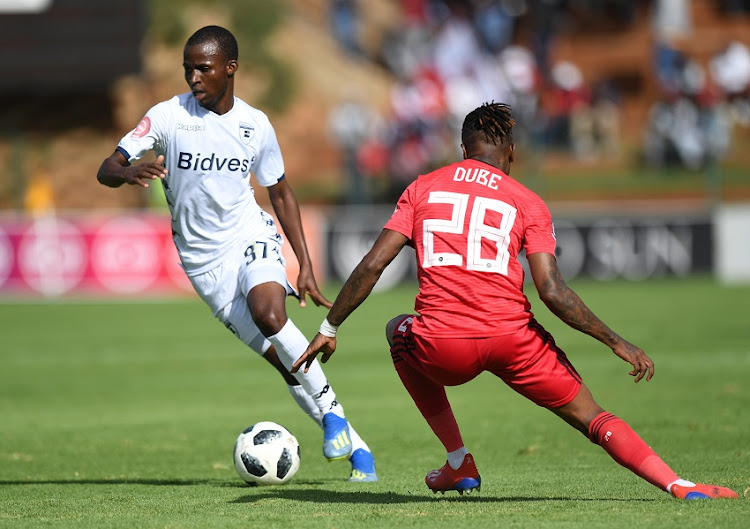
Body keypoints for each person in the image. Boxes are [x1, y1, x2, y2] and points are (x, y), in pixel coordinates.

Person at [292, 102, 739, 498]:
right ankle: (679, 486)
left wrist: (329, 328)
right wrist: (616, 342)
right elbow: (552, 291)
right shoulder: (527, 200)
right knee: (592, 417)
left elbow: (373, 264)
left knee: (397, 329)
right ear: (510, 153)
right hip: (514, 340)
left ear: (463, 149)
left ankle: (457, 461)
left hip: (443, 345)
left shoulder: (423, 187)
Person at [96, 25, 376, 482]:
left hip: (249, 234)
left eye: (202, 68)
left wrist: (304, 262)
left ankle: (331, 417)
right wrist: (125, 173)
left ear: (231, 69)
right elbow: (107, 166)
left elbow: (281, 192)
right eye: (187, 69)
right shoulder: (167, 117)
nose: (193, 78)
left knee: (270, 314)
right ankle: (359, 450)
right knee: (286, 366)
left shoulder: (255, 124)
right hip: (204, 265)